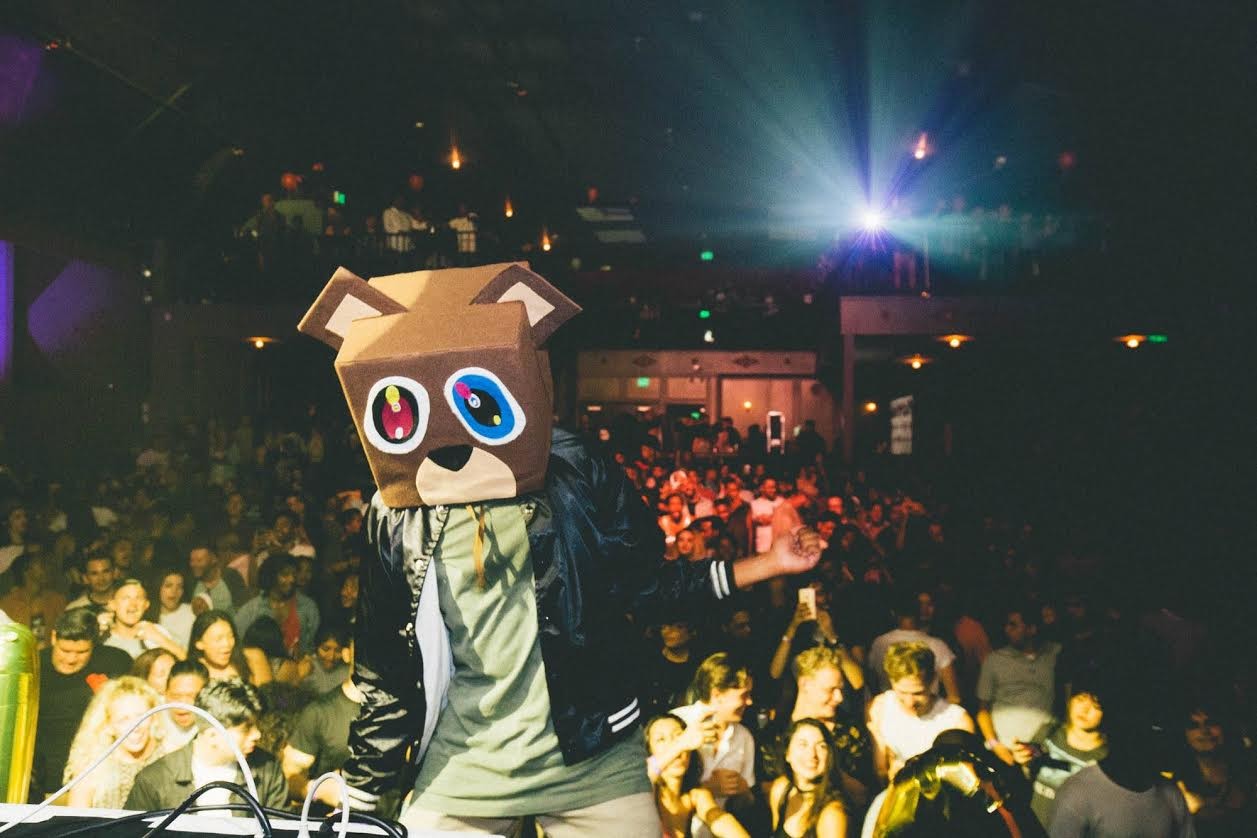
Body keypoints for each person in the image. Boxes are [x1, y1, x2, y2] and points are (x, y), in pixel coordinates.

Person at [297, 262, 822, 835]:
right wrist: (366, 787)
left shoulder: (571, 468)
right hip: (465, 764)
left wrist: (771, 562)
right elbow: (386, 663)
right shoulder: (397, 510)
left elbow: (647, 585)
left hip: (593, 756)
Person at [125, 678, 288, 813]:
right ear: (212, 735)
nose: (257, 734)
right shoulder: (154, 779)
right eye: (246, 729)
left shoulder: (268, 770)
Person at [31, 608, 132, 800]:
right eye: (65, 650)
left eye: (81, 652)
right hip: (44, 782)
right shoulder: (34, 665)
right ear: (53, 637)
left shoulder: (116, 662)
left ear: (94, 645)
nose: (71, 659)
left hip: (96, 780)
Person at [758, 646, 871, 811]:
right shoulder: (776, 733)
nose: (839, 698)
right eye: (830, 690)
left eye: (840, 689)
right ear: (804, 684)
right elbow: (762, 793)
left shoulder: (851, 731)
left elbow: (864, 795)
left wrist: (832, 772)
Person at [672, 653, 758, 836]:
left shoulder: (744, 738)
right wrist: (707, 788)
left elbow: (745, 805)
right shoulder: (675, 724)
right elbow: (654, 788)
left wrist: (742, 790)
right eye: (744, 695)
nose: (750, 702)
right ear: (717, 694)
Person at [866, 642, 974, 784]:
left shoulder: (957, 720)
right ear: (891, 681)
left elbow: (965, 780)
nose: (909, 702)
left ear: (933, 679)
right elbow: (880, 770)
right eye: (902, 692)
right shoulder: (879, 708)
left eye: (918, 693)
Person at [59, 676, 174, 808]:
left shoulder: (171, 758)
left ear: (154, 718)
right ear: (108, 725)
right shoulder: (91, 767)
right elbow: (76, 817)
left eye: (141, 717)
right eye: (124, 720)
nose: (135, 727)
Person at [977, 605, 1061, 766]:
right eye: (1007, 625)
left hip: (1048, 747)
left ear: (1031, 629)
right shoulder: (994, 660)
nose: (1007, 629)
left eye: (1013, 625)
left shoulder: (1055, 654)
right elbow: (982, 710)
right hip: (1006, 749)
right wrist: (995, 745)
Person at [1015, 685, 1108, 829]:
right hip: (1034, 826)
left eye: (1096, 705)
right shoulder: (1049, 732)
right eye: (1081, 699)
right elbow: (1027, 779)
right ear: (1070, 701)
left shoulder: (1106, 757)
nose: (1085, 710)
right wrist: (1024, 761)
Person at [645, 714, 750, 838]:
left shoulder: (696, 796)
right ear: (649, 751)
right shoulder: (646, 793)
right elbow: (646, 773)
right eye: (661, 739)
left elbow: (719, 819)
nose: (673, 745)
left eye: (678, 735)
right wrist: (680, 744)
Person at [866, 587, 962, 705]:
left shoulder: (878, 643)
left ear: (893, 613)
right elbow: (955, 697)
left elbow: (871, 685)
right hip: (924, 712)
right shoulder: (938, 646)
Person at [1174, 700, 1254, 836]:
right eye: (1194, 726)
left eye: (1211, 723)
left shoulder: (1248, 773)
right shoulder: (1175, 787)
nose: (1204, 731)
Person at [767, 719, 848, 838]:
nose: (812, 754)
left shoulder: (832, 814)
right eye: (803, 745)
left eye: (821, 746)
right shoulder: (781, 790)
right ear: (787, 753)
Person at [233, 553, 320, 656]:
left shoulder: (308, 607)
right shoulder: (251, 610)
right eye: (285, 574)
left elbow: (310, 648)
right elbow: (238, 644)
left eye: (294, 574)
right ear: (271, 576)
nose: (292, 579)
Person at [103, 577, 187, 660]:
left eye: (138, 598)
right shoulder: (103, 637)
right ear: (112, 605)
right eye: (126, 598)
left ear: (146, 605)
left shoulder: (160, 633)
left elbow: (187, 662)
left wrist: (161, 639)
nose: (133, 604)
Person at [189, 609, 259, 683]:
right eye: (218, 639)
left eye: (230, 636)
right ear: (199, 644)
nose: (227, 644)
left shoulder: (250, 660)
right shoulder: (193, 674)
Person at [164, 658, 210, 749]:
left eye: (191, 696)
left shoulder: (217, 729)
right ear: (165, 694)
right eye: (176, 696)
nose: (183, 704)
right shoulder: (151, 723)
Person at [155, 567, 196, 649]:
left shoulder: (191, 612)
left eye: (179, 586)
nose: (174, 591)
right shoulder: (148, 616)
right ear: (158, 588)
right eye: (168, 586)